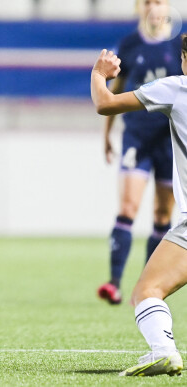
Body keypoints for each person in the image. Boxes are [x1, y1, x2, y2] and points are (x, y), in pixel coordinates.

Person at [90, 33, 187, 376]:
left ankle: (164, 350)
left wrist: (99, 74)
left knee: (147, 291)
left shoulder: (177, 87)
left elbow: (105, 103)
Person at [97, 0, 182, 305]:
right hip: (136, 136)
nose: (153, 7)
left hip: (168, 141)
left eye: (158, 1)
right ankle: (114, 283)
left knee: (162, 215)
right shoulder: (130, 44)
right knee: (128, 207)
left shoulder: (179, 45)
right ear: (139, 8)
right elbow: (115, 90)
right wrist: (108, 134)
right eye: (147, 2)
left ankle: (149, 285)